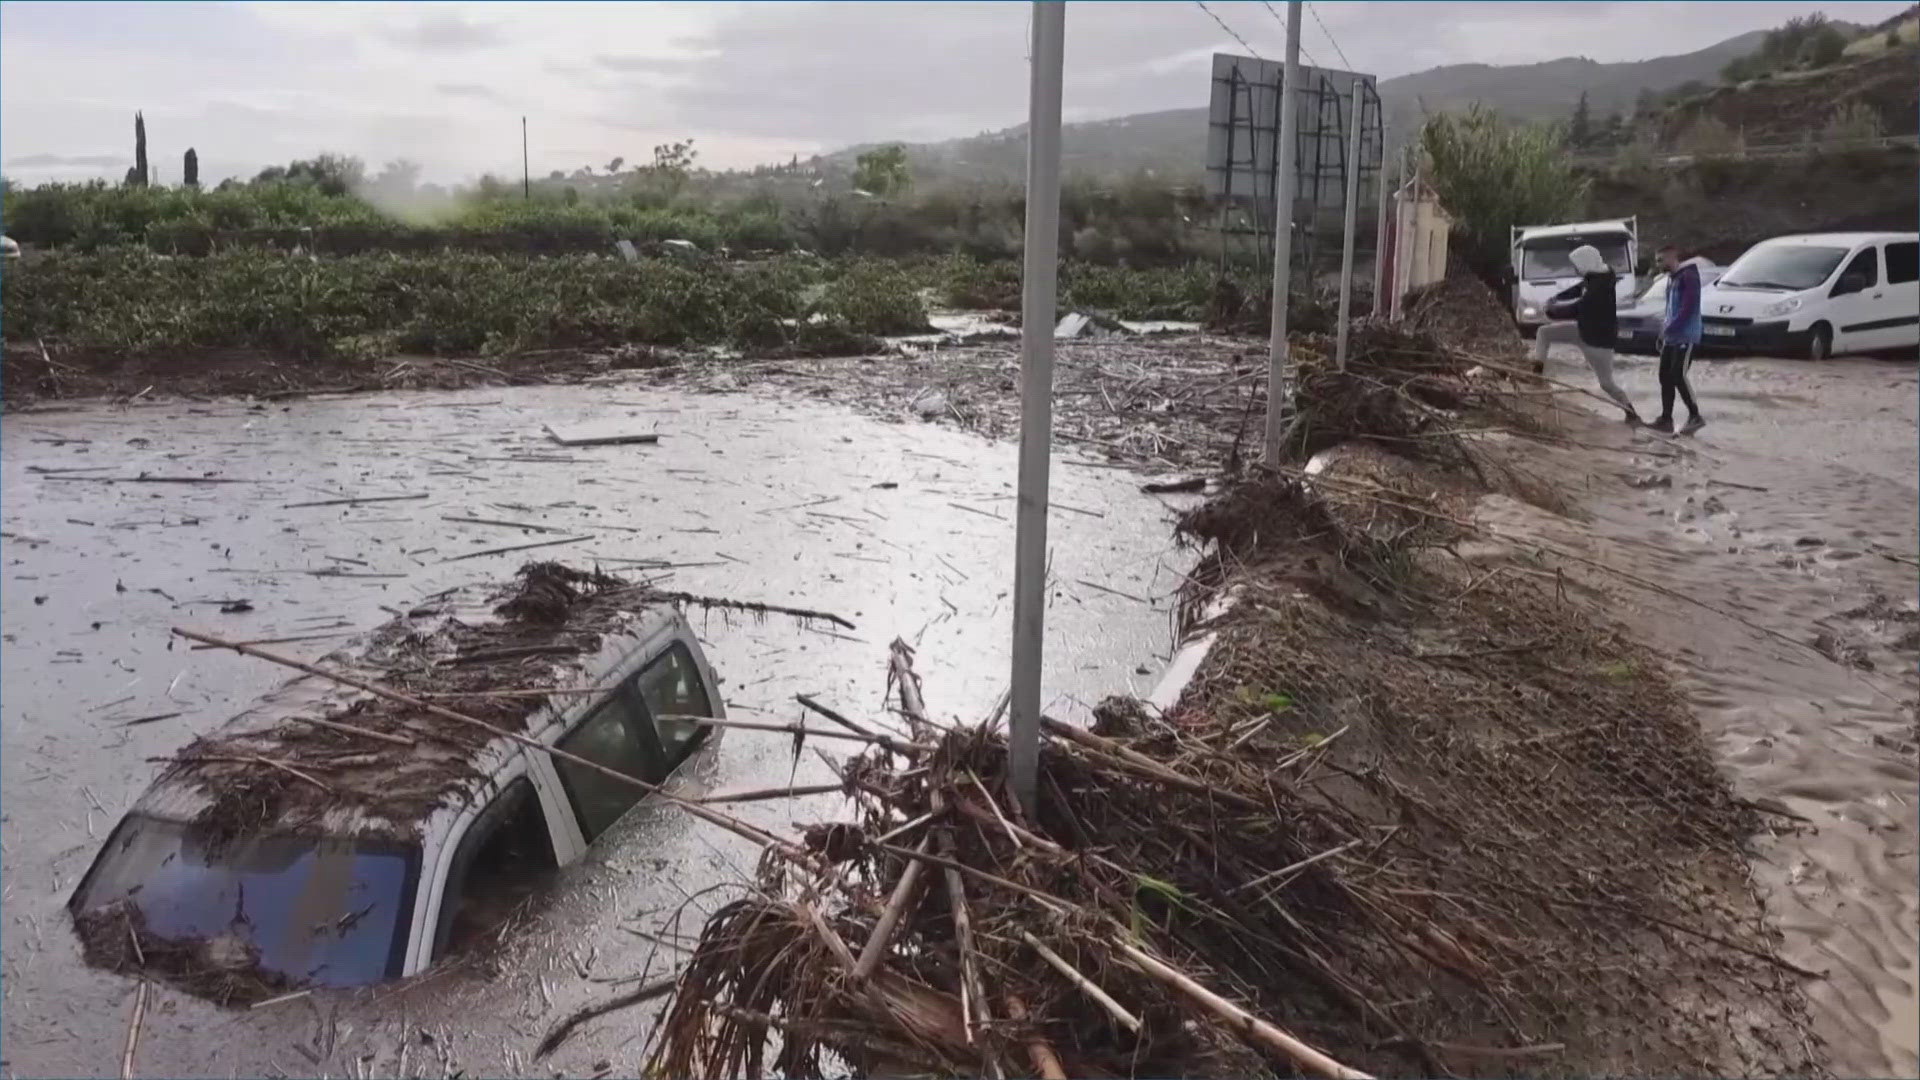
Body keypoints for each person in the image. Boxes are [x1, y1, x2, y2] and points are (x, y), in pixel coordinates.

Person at [1534, 244, 1641, 423]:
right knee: (1607, 383)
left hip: (1594, 339)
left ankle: (1536, 372)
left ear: (1585, 262)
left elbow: (1578, 309)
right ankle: (1631, 412)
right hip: (1592, 335)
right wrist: (1557, 298)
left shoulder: (1599, 288)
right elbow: (1578, 289)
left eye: (1576, 265)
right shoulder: (1598, 277)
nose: (1575, 269)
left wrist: (1552, 311)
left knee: (1606, 383)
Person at [1654, 244, 1708, 435]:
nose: (1658, 264)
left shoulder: (1689, 276)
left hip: (1687, 335)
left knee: (1678, 375)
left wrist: (1670, 328)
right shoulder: (1671, 279)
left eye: (1661, 260)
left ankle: (1695, 416)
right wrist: (1663, 333)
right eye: (1657, 260)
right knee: (1664, 376)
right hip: (1671, 336)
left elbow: (1688, 308)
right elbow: (1670, 309)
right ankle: (1666, 419)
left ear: (1672, 258)